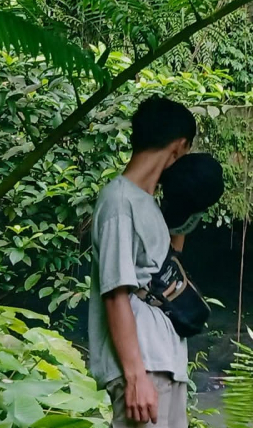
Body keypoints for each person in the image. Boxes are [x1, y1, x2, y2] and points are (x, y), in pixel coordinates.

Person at [89, 96, 195, 428]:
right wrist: (136, 377)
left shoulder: (147, 204)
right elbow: (115, 292)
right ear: (178, 147)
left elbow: (169, 272)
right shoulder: (119, 201)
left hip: (166, 364)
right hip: (143, 368)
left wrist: (186, 207)